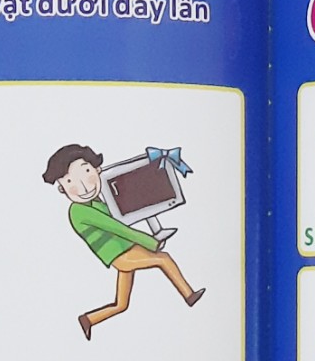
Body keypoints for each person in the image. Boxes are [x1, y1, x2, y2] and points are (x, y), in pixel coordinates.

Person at [41, 142, 203, 338]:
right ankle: (189, 296)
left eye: (87, 172)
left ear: (98, 170)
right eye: (70, 181)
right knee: (163, 259)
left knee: (121, 304)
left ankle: (88, 319)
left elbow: (122, 216)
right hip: (119, 253)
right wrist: (151, 242)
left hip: (124, 248)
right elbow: (117, 227)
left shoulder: (96, 202)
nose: (83, 186)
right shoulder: (78, 211)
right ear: (62, 188)